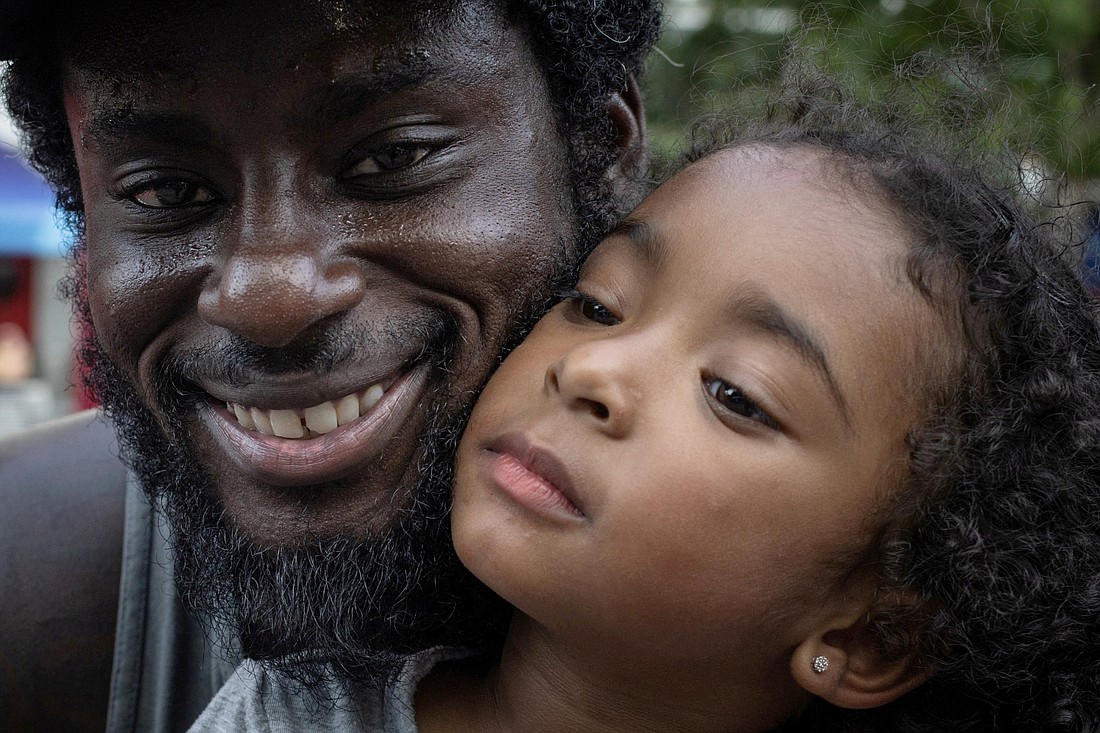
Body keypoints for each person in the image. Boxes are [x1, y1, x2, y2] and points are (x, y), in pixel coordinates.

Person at [194, 64, 1100, 731]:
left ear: (875, 635)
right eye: (596, 303)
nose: (591, 371)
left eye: (735, 395)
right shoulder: (284, 715)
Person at [0, 1, 661, 730]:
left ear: (600, 147)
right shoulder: (26, 582)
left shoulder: (786, 579)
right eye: (166, 191)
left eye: (392, 157)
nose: (270, 298)